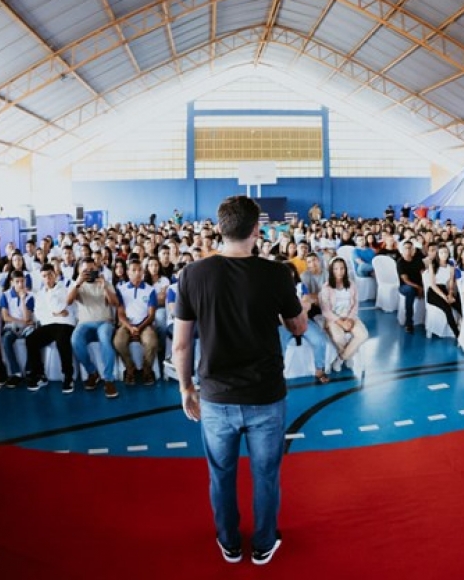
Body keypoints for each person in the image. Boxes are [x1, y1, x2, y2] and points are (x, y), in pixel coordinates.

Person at [172, 195, 307, 565]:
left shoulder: (192, 274)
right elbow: (298, 326)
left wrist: (186, 388)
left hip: (215, 397)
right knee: (266, 476)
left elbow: (181, 344)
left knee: (221, 475)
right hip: (266, 396)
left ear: (220, 228)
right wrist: (299, 308)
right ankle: (264, 544)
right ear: (256, 230)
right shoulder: (276, 273)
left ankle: (229, 542)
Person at [68, 258, 119, 398]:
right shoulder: (77, 285)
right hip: (84, 323)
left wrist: (105, 288)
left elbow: (115, 303)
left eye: (92, 270)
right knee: (75, 340)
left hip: (105, 322)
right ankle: (92, 372)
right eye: (85, 271)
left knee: (104, 338)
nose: (89, 273)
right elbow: (68, 301)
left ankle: (108, 379)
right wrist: (78, 284)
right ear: (79, 271)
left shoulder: (105, 283)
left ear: (97, 269)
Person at [25, 264, 77, 393]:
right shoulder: (40, 293)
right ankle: (40, 375)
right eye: (44, 276)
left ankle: (68, 376)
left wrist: (56, 311)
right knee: (31, 339)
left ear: (55, 275)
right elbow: (39, 313)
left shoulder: (64, 289)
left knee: (62, 340)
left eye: (49, 275)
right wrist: (55, 313)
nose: (47, 278)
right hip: (48, 324)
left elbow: (58, 306)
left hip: (65, 323)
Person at [113, 258, 161, 385]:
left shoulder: (150, 290)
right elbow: (120, 314)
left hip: (145, 324)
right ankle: (130, 368)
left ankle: (147, 369)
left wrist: (139, 327)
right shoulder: (121, 289)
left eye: (140, 270)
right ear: (128, 272)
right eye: (134, 270)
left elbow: (151, 315)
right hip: (126, 324)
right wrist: (130, 327)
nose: (137, 273)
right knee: (118, 342)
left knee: (152, 342)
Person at [318, 257, 369, 370]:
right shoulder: (326, 287)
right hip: (334, 319)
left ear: (346, 270)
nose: (339, 271)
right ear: (332, 270)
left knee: (363, 335)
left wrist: (350, 319)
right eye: (336, 269)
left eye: (342, 268)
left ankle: (341, 358)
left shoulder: (351, 284)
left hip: (350, 317)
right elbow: (326, 310)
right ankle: (348, 356)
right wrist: (341, 322)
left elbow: (356, 303)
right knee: (338, 337)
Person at [0, 270, 34, 389]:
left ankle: (29, 370)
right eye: (17, 281)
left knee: (32, 337)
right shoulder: (5, 295)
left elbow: (26, 317)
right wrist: (22, 321)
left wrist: (23, 299)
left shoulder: (30, 296)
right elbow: (5, 317)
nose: (20, 284)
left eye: (22, 281)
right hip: (11, 326)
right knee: (6, 339)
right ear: (12, 282)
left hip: (26, 327)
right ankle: (16, 372)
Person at [424, 245, 461, 340]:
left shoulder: (451, 267)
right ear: (438, 254)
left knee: (459, 306)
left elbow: (451, 282)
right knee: (447, 308)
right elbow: (432, 284)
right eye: (441, 252)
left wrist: (450, 293)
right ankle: (457, 334)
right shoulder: (433, 265)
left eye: (446, 252)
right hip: (434, 292)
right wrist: (445, 297)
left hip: (446, 289)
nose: (444, 254)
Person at [396, 241, 425, 333]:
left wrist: (424, 286)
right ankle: (409, 322)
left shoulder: (418, 260)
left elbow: (423, 274)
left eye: (410, 248)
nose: (408, 250)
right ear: (402, 250)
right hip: (405, 287)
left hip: (419, 286)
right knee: (410, 290)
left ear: (413, 250)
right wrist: (418, 287)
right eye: (406, 248)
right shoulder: (400, 262)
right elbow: (406, 280)